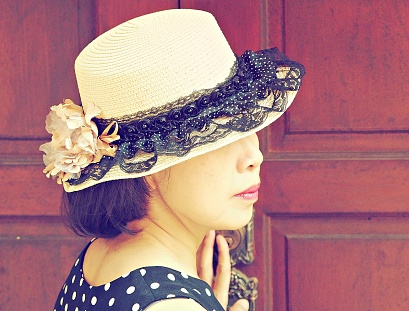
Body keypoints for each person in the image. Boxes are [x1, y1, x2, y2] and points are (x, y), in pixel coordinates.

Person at [40, 9, 304, 311]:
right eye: (218, 134)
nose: (254, 157)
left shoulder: (101, 256)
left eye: (247, 125)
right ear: (145, 160)